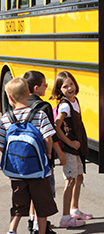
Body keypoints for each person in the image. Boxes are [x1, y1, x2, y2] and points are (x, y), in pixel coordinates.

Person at [0, 78, 58, 234]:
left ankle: (12, 230)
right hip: (38, 170)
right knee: (42, 204)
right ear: (28, 93)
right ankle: (41, 231)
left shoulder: (5, 118)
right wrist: (47, 153)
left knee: (18, 203)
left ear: (10, 98)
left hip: (16, 172)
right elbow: (48, 138)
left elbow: (1, 144)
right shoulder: (39, 115)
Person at [23, 71, 66, 234]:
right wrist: (59, 154)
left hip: (26, 157)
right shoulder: (44, 107)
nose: (47, 87)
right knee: (45, 194)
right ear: (36, 88)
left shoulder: (22, 103)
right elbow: (50, 136)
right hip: (42, 158)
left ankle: (32, 220)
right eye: (45, 85)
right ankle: (40, 227)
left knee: (34, 191)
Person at [50, 71, 92, 228]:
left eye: (71, 84)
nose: (69, 88)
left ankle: (75, 210)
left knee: (79, 178)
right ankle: (65, 217)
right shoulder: (65, 105)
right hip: (70, 149)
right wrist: (70, 142)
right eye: (65, 86)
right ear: (59, 90)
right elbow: (56, 126)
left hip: (78, 149)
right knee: (70, 181)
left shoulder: (74, 100)